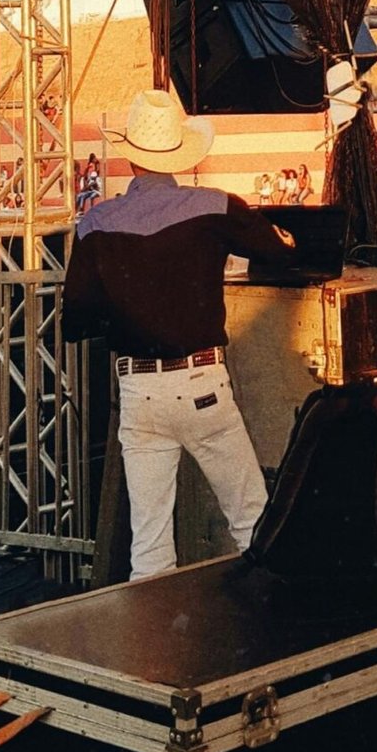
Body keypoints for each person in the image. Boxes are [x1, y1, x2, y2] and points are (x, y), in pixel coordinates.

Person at [63, 85, 295, 581]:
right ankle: (276, 634)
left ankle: (154, 653)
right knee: (252, 520)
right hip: (201, 386)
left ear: (131, 159)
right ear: (178, 152)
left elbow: (75, 319)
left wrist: (126, 308)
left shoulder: (96, 222)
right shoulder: (215, 206)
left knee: (149, 547)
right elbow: (280, 253)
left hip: (139, 391)